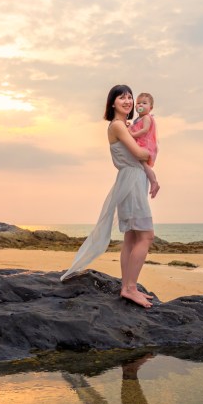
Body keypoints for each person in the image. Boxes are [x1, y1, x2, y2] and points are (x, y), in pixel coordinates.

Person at [60, 85, 157, 308]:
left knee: (132, 237)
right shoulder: (117, 126)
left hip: (131, 179)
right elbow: (141, 154)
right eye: (122, 97)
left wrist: (151, 176)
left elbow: (139, 161)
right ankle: (130, 288)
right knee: (146, 236)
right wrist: (151, 149)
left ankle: (128, 286)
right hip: (131, 182)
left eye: (130, 97)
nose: (128, 101)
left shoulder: (126, 126)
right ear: (112, 102)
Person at [128, 92, 160, 198]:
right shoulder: (137, 120)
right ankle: (154, 180)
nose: (140, 105)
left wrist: (132, 134)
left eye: (144, 103)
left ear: (150, 108)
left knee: (143, 163)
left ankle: (154, 182)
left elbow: (145, 130)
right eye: (138, 103)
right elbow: (136, 127)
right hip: (141, 144)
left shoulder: (146, 117)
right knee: (143, 165)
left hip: (146, 145)